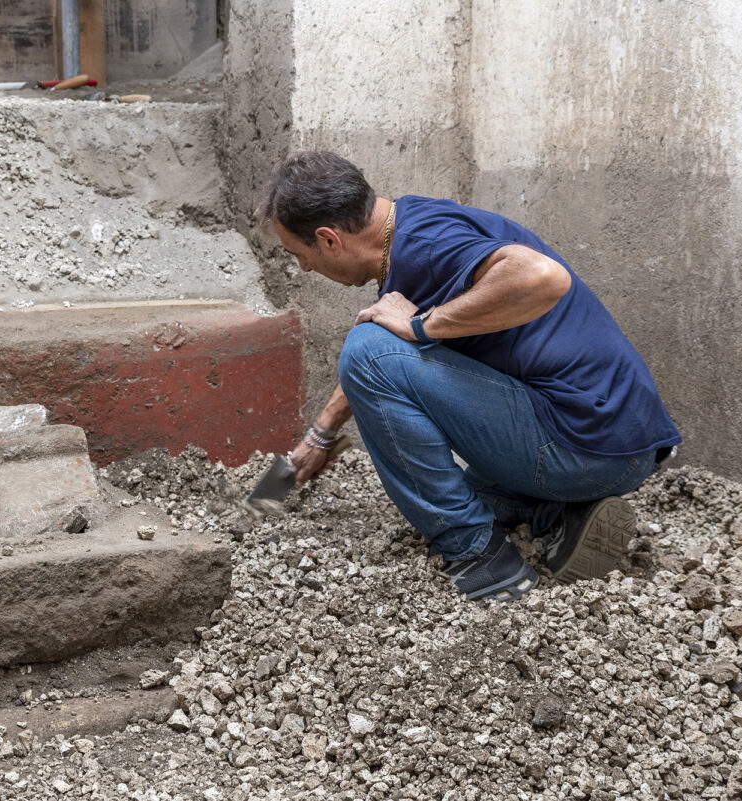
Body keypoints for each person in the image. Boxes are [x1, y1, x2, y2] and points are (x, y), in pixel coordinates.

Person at [263, 152, 680, 602]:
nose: (304, 268)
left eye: (298, 255)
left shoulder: (426, 244)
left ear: (328, 240)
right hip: (617, 446)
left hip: (583, 446)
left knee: (367, 352)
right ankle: (556, 518)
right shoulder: (410, 225)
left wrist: (423, 325)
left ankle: (482, 558)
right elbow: (395, 348)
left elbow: (542, 276)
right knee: (459, 490)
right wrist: (322, 434)